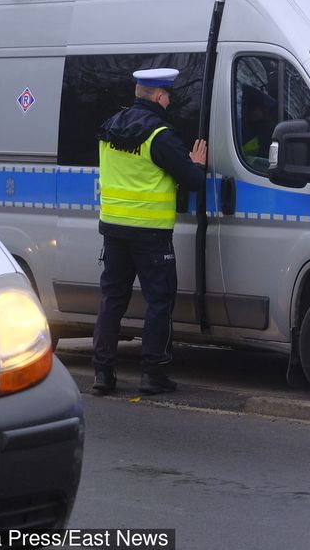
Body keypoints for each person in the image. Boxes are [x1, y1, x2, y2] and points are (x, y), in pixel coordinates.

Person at [91, 68, 207, 396]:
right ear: (158, 96)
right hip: (151, 234)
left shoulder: (110, 127)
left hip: (113, 229)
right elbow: (194, 181)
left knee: (112, 298)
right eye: (168, 95)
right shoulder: (160, 136)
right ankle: (152, 373)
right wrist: (196, 163)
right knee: (158, 300)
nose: (170, 100)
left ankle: (102, 372)